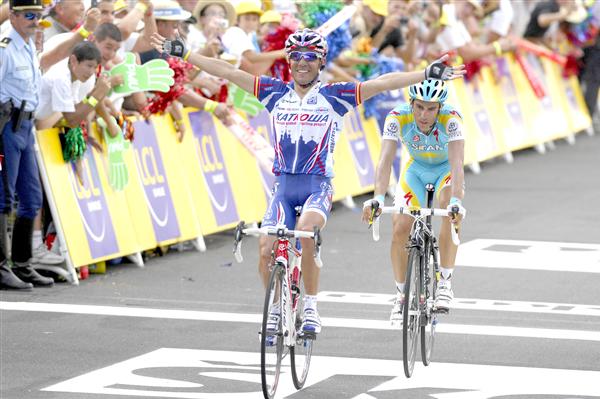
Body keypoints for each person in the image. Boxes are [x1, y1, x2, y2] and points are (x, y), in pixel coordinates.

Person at [153, 28, 465, 334]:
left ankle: (312, 306)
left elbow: (382, 83)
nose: (303, 62)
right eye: (297, 56)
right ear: (288, 60)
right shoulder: (274, 92)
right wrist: (188, 54)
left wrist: (425, 73)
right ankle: (276, 307)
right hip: (283, 186)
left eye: (311, 57)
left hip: (317, 185)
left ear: (321, 61)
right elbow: (229, 72)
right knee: (265, 247)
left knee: (305, 232)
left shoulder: (335, 97)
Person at [361, 79, 466, 326]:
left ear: (440, 107)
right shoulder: (397, 117)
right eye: (419, 107)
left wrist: (456, 201)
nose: (424, 114)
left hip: (444, 171)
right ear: (411, 103)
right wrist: (377, 197)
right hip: (415, 171)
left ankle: (445, 282)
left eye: (431, 108)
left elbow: (457, 163)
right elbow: (385, 160)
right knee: (400, 228)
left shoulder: (452, 119)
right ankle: (401, 295)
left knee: (447, 206)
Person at [0, 0, 54, 289]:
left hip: (25, 126)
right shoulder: (5, 46)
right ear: (13, 15)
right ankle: (1, 266)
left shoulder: (28, 45)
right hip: (6, 126)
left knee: (31, 198)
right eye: (30, 16)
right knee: (3, 199)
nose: (36, 22)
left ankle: (22, 264)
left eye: (40, 16)